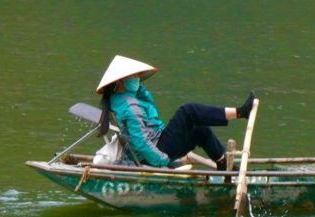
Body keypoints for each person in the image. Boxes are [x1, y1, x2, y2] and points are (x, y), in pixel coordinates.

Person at [96, 55, 254, 170]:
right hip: (154, 152)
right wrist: (162, 160)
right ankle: (240, 113)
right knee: (188, 111)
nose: (137, 78)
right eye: (134, 76)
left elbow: (148, 118)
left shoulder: (121, 99)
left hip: (157, 142)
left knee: (200, 129)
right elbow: (140, 141)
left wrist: (139, 91)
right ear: (122, 81)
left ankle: (224, 166)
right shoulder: (129, 106)